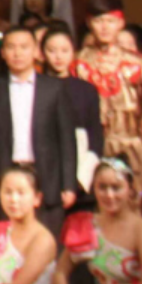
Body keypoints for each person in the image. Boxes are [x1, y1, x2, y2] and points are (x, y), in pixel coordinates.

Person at [0, 29, 77, 250]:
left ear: (36, 51)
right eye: (11, 47)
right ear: (3, 53)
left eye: (24, 47)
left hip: (48, 179)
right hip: (7, 177)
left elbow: (67, 141)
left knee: (49, 247)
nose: (17, 53)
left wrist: (69, 184)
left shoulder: (54, 88)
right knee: (10, 249)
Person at [74, 0, 142, 198]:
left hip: (130, 141)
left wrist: (139, 144)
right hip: (90, 147)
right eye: (98, 21)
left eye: (110, 21)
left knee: (132, 201)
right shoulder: (78, 62)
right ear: (89, 23)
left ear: (121, 23)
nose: (104, 27)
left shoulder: (138, 63)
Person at [39, 26, 104, 187]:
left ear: (74, 53)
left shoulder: (86, 89)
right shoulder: (35, 87)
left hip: (81, 160)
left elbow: (95, 134)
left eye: (65, 50)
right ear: (42, 53)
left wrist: (85, 171)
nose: (58, 56)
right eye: (52, 50)